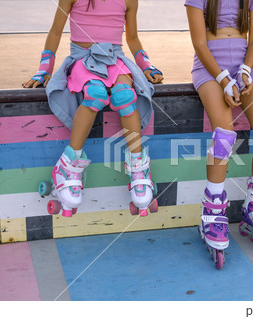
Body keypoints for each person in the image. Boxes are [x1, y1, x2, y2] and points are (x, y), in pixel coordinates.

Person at [23, 0, 164, 217]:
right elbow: (55, 32)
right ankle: (68, 163)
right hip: (82, 58)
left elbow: (133, 38)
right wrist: (44, 69)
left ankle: (138, 165)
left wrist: (146, 66)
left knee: (126, 97)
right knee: (95, 95)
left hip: (115, 59)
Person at [186, 0, 253, 269]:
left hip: (243, 67)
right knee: (224, 137)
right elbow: (200, 44)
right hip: (209, 68)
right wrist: (223, 80)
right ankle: (212, 210)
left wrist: (245, 70)